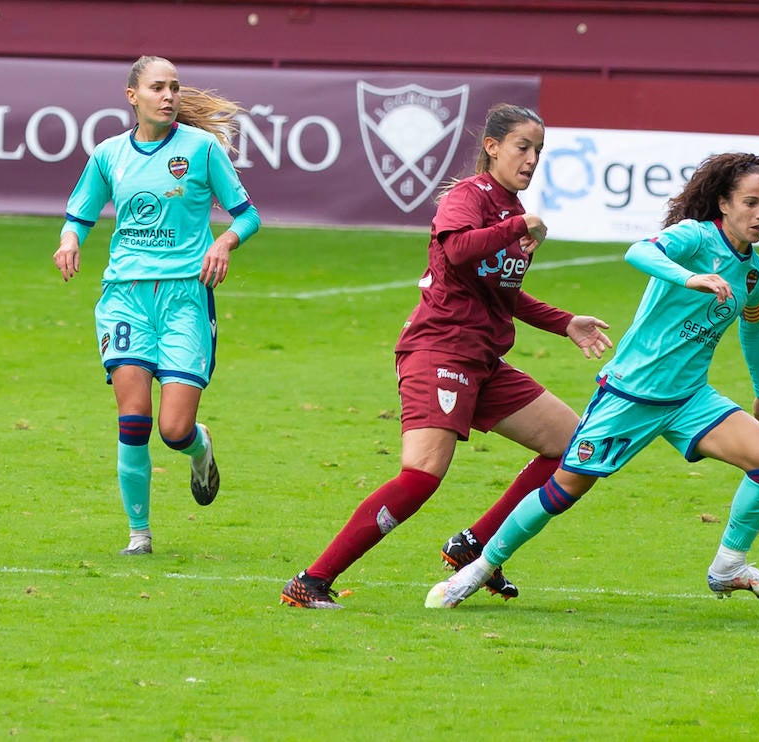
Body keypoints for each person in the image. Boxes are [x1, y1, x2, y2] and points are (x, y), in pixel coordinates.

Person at [280, 104, 613, 609]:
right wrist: (518, 226)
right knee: (421, 476)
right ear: (493, 146)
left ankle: (474, 546)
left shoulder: (509, 213)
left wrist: (562, 321)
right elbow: (458, 250)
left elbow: (501, 291)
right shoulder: (469, 197)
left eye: (539, 151)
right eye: (523, 147)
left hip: (483, 359)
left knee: (574, 445)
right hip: (439, 350)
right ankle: (311, 581)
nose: (531, 159)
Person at [426, 152, 759, 609]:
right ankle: (478, 568)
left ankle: (728, 568)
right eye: (751, 202)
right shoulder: (695, 238)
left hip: (689, 398)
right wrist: (691, 277)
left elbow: (753, 328)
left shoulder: (756, 272)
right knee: (563, 491)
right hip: (629, 393)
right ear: (723, 202)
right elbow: (638, 251)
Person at [53, 55, 261, 554]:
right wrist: (69, 240)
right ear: (133, 96)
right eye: (157, 88)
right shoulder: (108, 154)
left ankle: (199, 446)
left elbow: (247, 215)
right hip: (124, 297)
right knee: (133, 419)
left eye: (174, 87)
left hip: (185, 299)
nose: (169, 96)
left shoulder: (202, 149)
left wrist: (224, 242)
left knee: (173, 430)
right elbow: (78, 213)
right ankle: (138, 535)